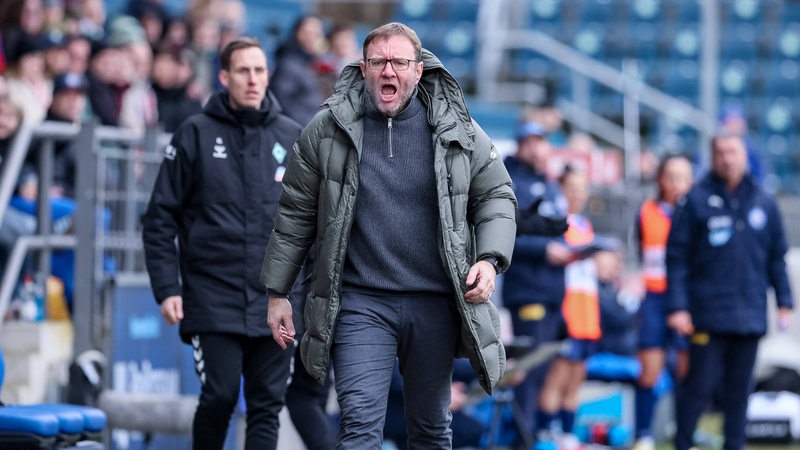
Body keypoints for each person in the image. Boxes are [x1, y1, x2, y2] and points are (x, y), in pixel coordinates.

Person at [260, 22, 517, 449]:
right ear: (363, 69)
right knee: (359, 425)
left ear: (418, 70)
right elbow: (294, 214)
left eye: (399, 62)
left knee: (432, 430)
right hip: (361, 301)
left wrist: (489, 261)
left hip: (433, 300)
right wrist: (277, 292)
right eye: (378, 62)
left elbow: (497, 196)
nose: (388, 72)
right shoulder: (326, 130)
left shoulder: (459, 131)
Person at [141, 37, 302, 450]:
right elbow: (160, 217)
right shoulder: (194, 133)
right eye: (243, 71)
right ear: (224, 76)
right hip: (213, 297)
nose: (253, 79)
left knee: (267, 405)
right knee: (221, 395)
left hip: (277, 299)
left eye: (260, 70)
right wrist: (167, 288)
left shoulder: (294, 136)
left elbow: (312, 223)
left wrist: (304, 293)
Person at [666, 132, 793, 450]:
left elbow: (777, 257)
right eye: (720, 153)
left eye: (732, 152)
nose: (727, 158)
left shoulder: (764, 201)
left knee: (739, 394)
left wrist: (785, 302)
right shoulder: (695, 199)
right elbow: (677, 259)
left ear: (744, 154)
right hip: (706, 316)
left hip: (749, 316)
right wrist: (678, 307)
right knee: (698, 389)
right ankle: (683, 444)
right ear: (712, 156)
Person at [501, 119, 569, 438]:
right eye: (530, 141)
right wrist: (545, 250)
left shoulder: (550, 183)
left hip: (554, 290)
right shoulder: (508, 180)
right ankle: (522, 437)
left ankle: (535, 434)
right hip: (528, 290)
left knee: (544, 370)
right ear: (519, 144)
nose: (536, 147)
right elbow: (503, 234)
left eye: (541, 140)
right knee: (527, 372)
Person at [632, 154, 693, 450]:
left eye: (683, 177)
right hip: (655, 299)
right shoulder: (646, 211)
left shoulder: (697, 213)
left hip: (686, 300)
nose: (677, 183)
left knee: (685, 371)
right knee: (649, 370)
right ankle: (644, 433)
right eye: (671, 176)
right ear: (661, 179)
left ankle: (684, 433)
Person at [536, 168, 600, 438]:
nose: (577, 193)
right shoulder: (556, 222)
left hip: (588, 310)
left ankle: (567, 432)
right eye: (571, 187)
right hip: (567, 307)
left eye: (582, 188)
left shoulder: (585, 225)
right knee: (558, 374)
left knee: (577, 376)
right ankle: (544, 431)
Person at [269, 14, 326, 126]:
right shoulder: (288, 64)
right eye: (311, 32)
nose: (316, 38)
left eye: (318, 33)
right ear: (298, 33)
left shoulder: (309, 63)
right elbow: (282, 104)